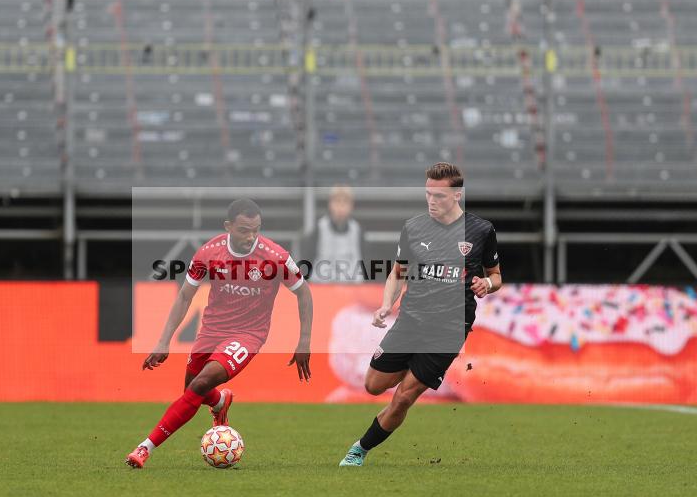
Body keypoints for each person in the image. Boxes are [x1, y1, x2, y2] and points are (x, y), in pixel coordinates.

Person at [126, 199, 313, 468]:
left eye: (256, 230)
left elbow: (303, 292)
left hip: (249, 334)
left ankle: (144, 448)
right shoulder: (208, 253)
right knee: (193, 389)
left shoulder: (275, 256)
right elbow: (184, 297)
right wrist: (163, 340)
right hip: (211, 329)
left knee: (199, 386)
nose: (251, 237)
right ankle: (220, 400)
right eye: (244, 230)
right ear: (228, 226)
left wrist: (304, 339)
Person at [338, 162, 501, 466]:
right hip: (411, 320)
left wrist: (487, 283)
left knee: (403, 397)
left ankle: (359, 449)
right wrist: (387, 304)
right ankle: (414, 366)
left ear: (457, 196)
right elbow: (397, 273)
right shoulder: (414, 227)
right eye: (428, 194)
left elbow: (497, 276)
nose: (431, 201)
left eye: (439, 196)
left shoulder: (481, 230)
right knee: (373, 385)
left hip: (449, 329)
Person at [304, 185, 367, 282]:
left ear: (351, 206)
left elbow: (365, 262)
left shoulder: (358, 230)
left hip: (352, 289)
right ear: (330, 204)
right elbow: (307, 261)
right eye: (337, 201)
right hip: (322, 289)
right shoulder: (319, 229)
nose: (341, 207)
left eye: (345, 202)